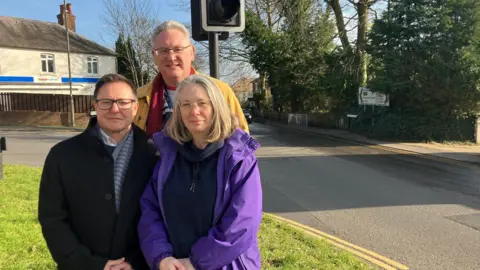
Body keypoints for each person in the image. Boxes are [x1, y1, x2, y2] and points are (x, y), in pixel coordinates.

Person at [138, 75, 262, 270]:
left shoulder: (239, 159)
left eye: (202, 103)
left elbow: (242, 224)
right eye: (185, 104)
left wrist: (196, 262)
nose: (193, 111)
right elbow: (150, 211)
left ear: (216, 106)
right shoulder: (167, 156)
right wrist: (161, 257)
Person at [38, 74, 157, 270]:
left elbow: (162, 216)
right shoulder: (62, 155)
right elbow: (53, 219)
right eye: (106, 102)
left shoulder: (155, 153)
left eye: (123, 102)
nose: (115, 109)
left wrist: (135, 262)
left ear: (135, 107)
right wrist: (90, 264)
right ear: (95, 105)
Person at [133, 20, 249, 137]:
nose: (171, 57)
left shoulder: (221, 91)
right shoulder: (138, 98)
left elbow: (241, 145)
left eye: (178, 49)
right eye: (163, 51)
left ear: (191, 52)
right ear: (154, 56)